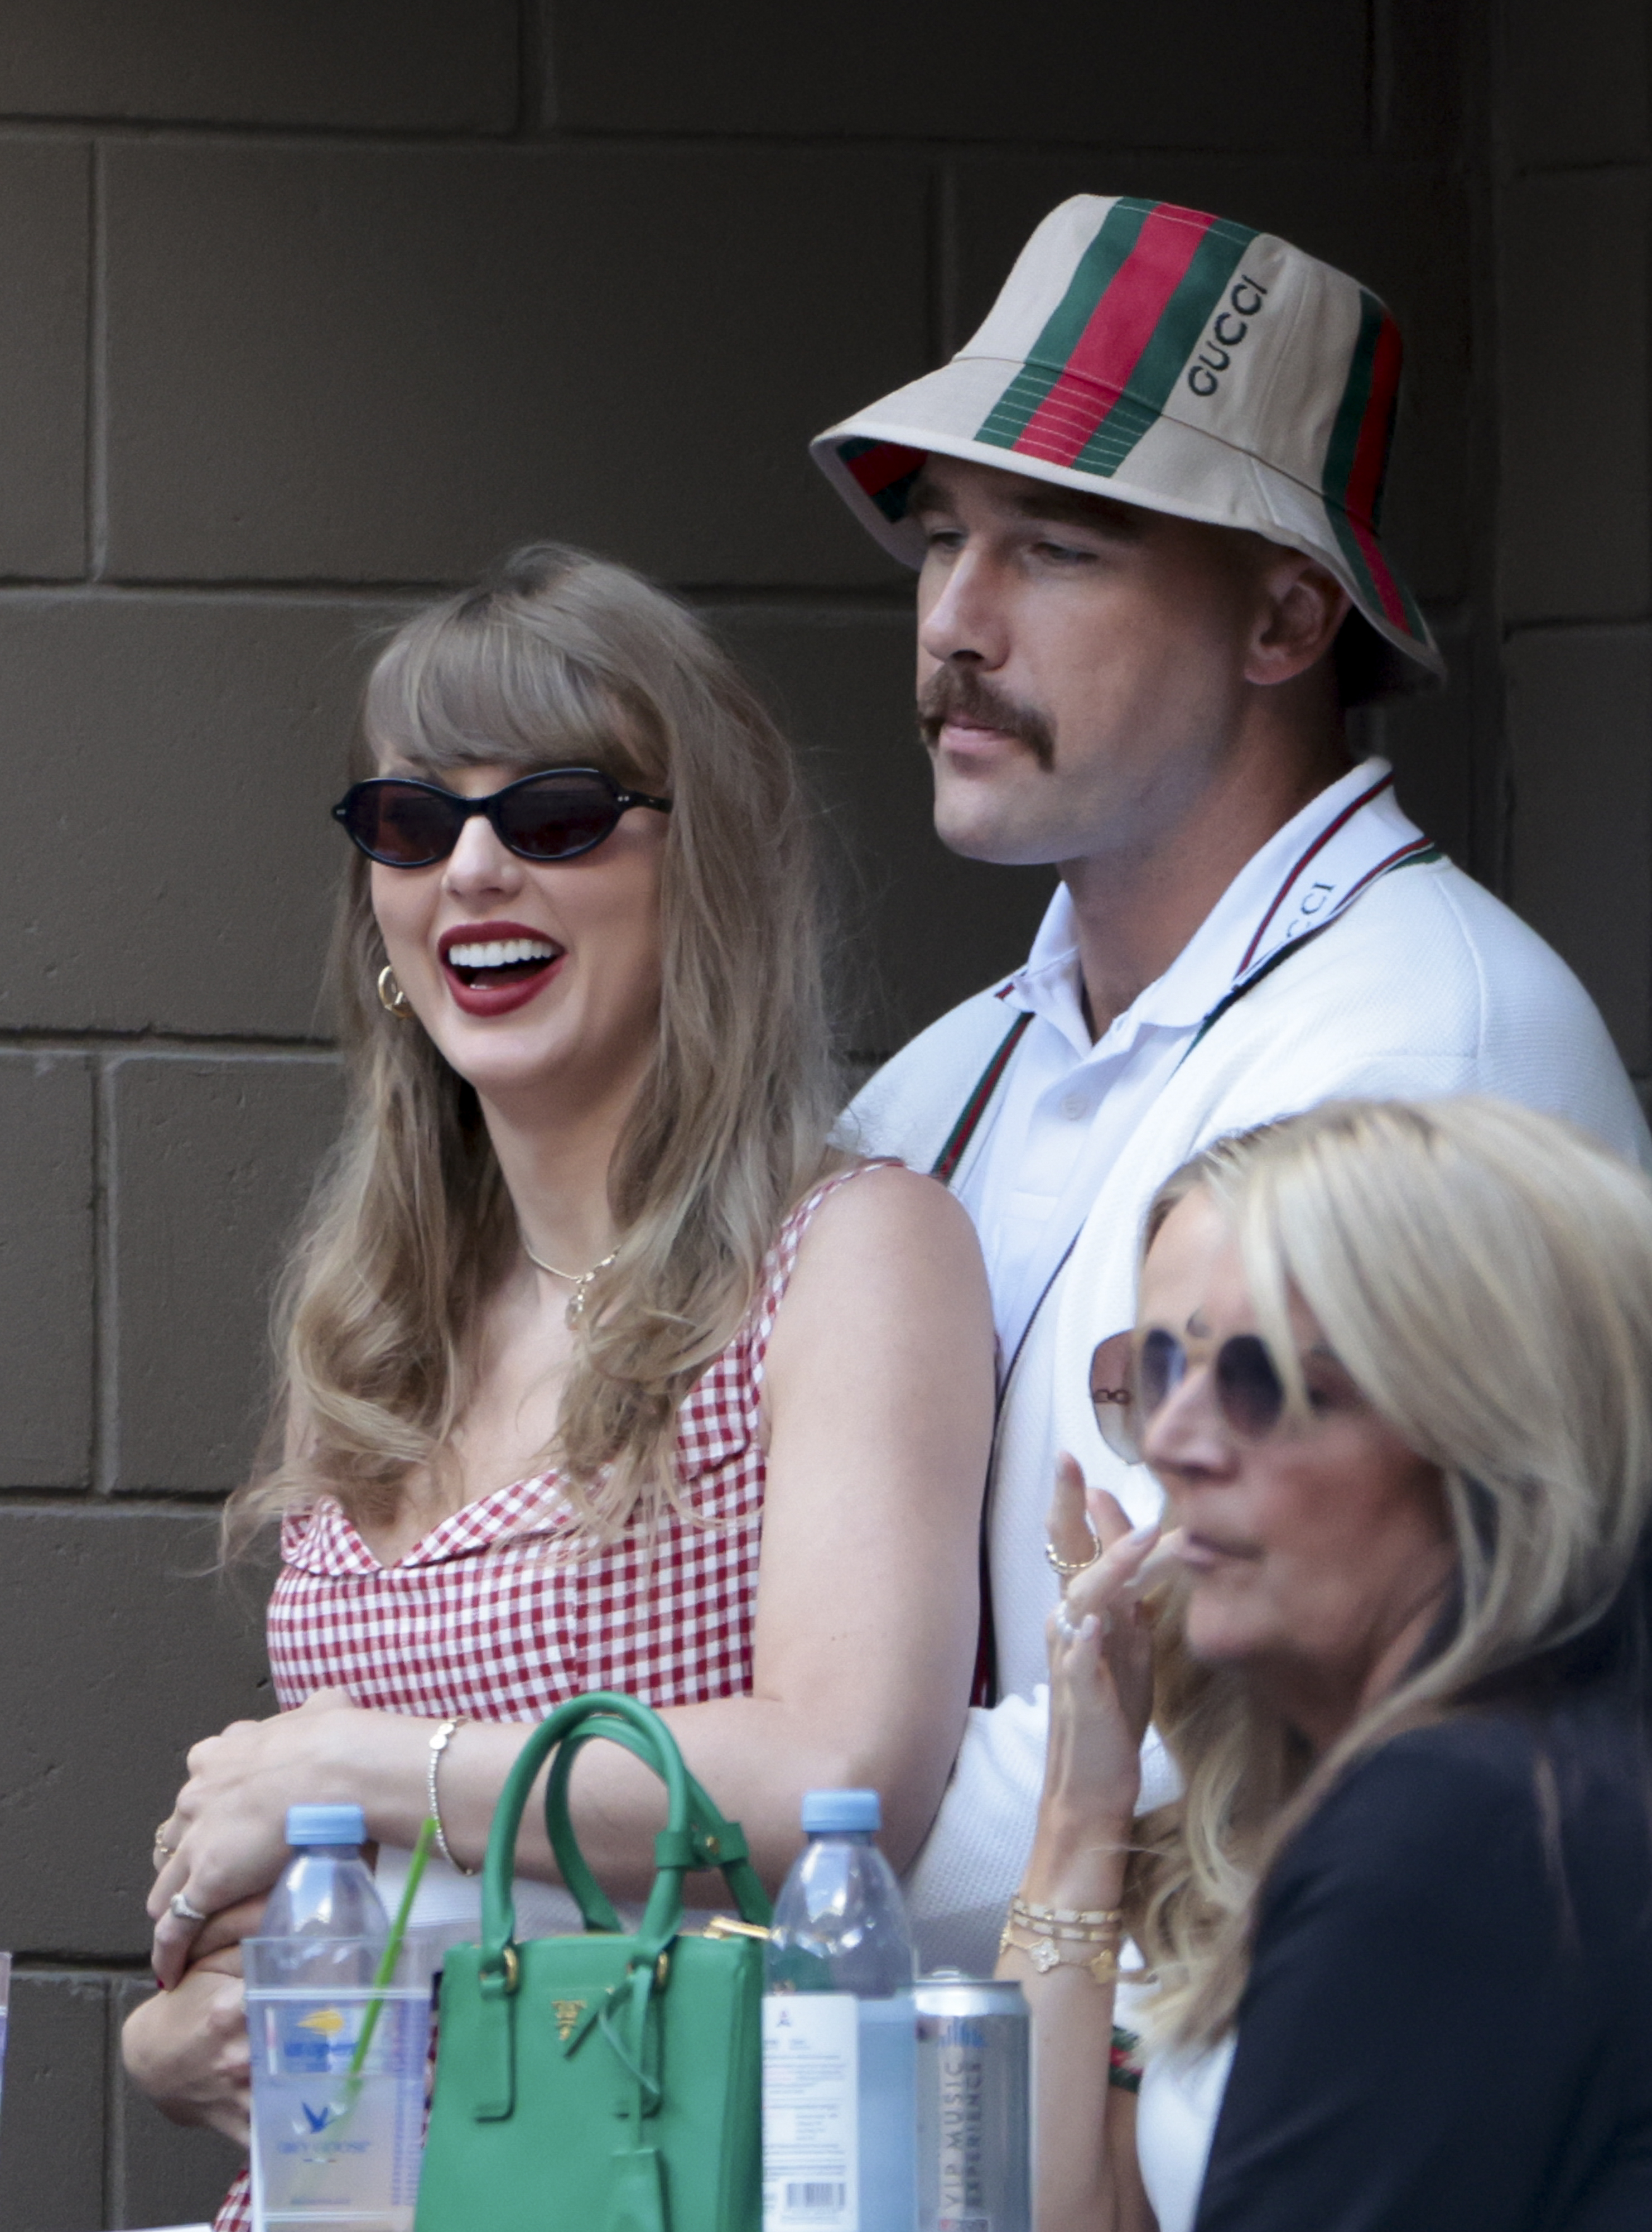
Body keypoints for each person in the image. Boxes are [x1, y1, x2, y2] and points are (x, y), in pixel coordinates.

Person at [808, 193, 1651, 1969]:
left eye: (1055, 549)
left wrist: (727, 1863)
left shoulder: (1431, 1048)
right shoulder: (937, 1088)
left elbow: (1235, 1720)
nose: (952, 618)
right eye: (944, 537)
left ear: (1284, 619)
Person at [121, 545, 995, 2223]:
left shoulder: (849, 1257)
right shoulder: (380, 1316)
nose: (470, 871)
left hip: (636, 2186)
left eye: (558, 815)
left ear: (705, 874)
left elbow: (845, 1780)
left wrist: (342, 1763)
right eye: (409, 821)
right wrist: (178, 2037)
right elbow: (321, 1914)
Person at [1012, 1096, 1652, 2232]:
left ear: (1484, 1432)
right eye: (1161, 1366)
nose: (1171, 1439)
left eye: (1264, 1380)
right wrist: (1079, 1801)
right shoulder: (1490, 1778)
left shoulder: (1462, 1824)